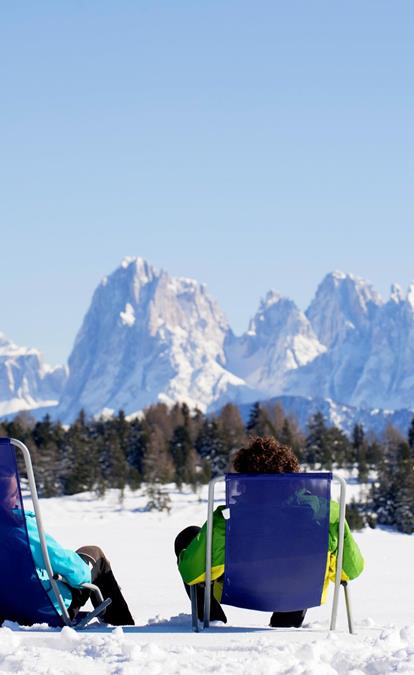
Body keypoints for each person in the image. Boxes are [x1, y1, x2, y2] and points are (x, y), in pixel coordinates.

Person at [175, 436, 364, 628]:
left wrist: (186, 556)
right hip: (297, 593)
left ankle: (212, 619)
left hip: (242, 589)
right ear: (293, 476)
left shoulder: (228, 520)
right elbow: (351, 570)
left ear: (244, 480)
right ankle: (287, 622)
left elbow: (192, 573)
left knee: (188, 536)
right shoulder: (327, 514)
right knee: (300, 565)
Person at [0, 467, 134, 626]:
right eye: (13, 495)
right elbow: (63, 564)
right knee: (94, 553)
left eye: (18, 493)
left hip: (7, 610)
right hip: (43, 609)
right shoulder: (20, 530)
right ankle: (121, 624)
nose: (17, 499)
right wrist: (82, 573)